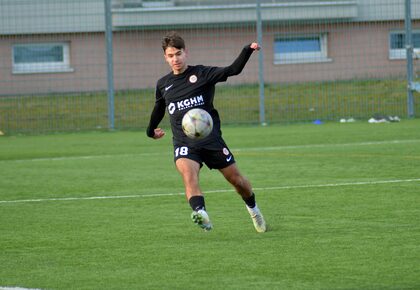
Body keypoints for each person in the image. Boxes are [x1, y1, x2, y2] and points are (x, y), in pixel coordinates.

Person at [146, 31, 267, 233]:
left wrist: (247, 50)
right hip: (185, 144)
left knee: (238, 182)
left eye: (178, 54)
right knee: (188, 175)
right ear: (165, 57)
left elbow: (233, 70)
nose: (175, 59)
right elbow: (159, 109)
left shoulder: (202, 74)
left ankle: (253, 209)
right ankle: (201, 214)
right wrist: (150, 131)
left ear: (186, 53)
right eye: (170, 56)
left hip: (212, 142)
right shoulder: (163, 84)